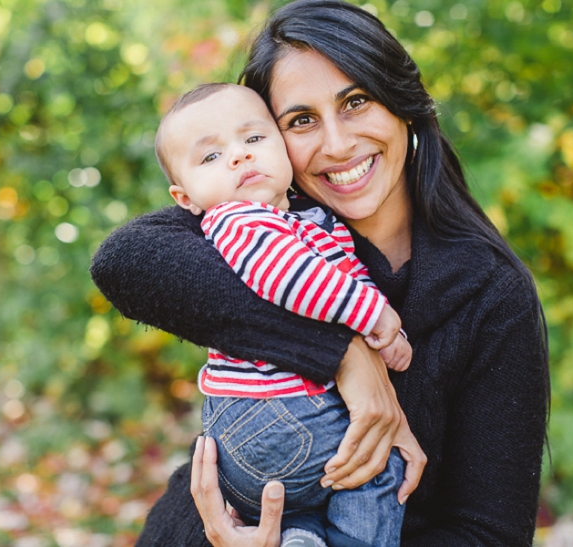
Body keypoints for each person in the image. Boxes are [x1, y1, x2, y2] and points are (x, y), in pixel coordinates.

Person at [89, 0, 550, 545]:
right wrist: (344, 354)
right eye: (301, 120)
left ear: (402, 104)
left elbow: (488, 533)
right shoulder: (266, 220)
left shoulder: (491, 294)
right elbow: (123, 259)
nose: (336, 144)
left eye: (356, 101)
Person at [152, 81, 412, 546]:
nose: (239, 157)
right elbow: (290, 279)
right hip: (275, 414)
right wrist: (374, 319)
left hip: (273, 434)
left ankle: (301, 537)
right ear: (185, 199)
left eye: (253, 139)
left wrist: (380, 329)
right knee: (379, 462)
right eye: (210, 157)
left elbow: (345, 274)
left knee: (312, 499)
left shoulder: (306, 220)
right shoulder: (238, 220)